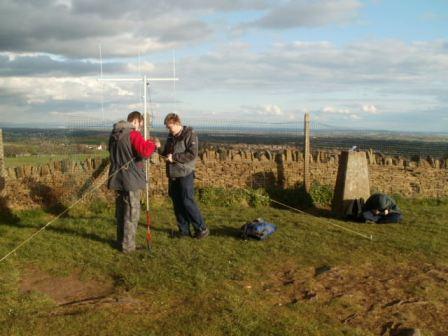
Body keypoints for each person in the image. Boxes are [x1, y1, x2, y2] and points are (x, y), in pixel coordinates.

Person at [108, 111, 160, 253]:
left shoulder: (114, 134)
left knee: (121, 211)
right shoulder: (133, 134)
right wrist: (153, 144)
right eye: (140, 125)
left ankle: (121, 241)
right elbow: (144, 152)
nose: (140, 128)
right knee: (131, 213)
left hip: (118, 178)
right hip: (131, 179)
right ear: (136, 121)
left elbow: (111, 152)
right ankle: (128, 246)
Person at [160, 113, 209, 239]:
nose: (168, 130)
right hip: (173, 174)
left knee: (187, 201)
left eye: (170, 127)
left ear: (177, 124)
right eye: (167, 127)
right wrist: (159, 148)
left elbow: (192, 154)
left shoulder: (189, 134)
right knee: (177, 203)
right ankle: (184, 231)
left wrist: (174, 157)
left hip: (185, 173)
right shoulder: (171, 136)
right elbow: (166, 152)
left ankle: (201, 228)